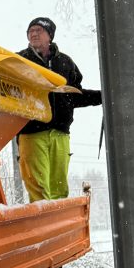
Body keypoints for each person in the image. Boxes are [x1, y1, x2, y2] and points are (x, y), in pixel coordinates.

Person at [17, 17, 102, 202]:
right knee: (39, 190)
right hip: (31, 132)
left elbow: (73, 95)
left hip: (61, 134)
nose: (33, 33)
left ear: (50, 35)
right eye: (30, 31)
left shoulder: (65, 62)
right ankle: (43, 227)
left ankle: (59, 228)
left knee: (59, 189)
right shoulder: (19, 60)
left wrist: (103, 97)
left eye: (38, 30)